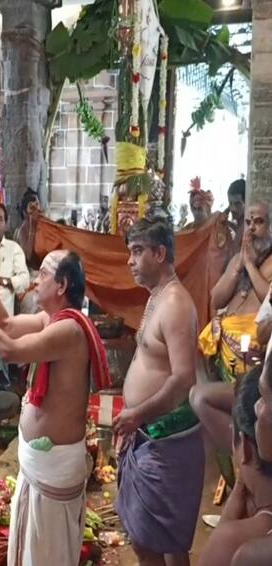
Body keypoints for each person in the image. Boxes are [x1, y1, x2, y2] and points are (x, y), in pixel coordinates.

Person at [0, 249, 110, 566]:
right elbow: (5, 325)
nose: (36, 280)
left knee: (45, 554)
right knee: (32, 550)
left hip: (54, 467)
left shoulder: (68, 329)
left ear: (62, 285)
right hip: (40, 465)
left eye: (44, 274)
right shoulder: (48, 320)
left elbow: (8, 350)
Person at [115, 217, 203, 566]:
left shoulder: (176, 304)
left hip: (166, 438)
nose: (129, 261)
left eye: (137, 252)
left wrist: (138, 414)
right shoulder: (156, 297)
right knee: (146, 538)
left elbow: (183, 379)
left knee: (164, 542)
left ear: (160, 252)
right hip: (147, 433)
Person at [198, 370, 272, 566]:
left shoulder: (243, 548)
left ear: (245, 448)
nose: (259, 406)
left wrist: (224, 531)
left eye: (264, 400)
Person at [199, 203, 272, 382]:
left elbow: (268, 302)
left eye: (259, 221)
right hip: (224, 344)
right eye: (248, 222)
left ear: (271, 226)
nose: (252, 228)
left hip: (251, 349)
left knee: (203, 398)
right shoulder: (236, 260)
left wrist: (250, 265)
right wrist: (239, 266)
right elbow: (216, 300)